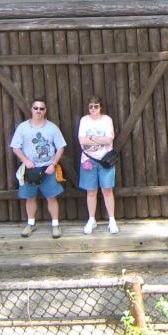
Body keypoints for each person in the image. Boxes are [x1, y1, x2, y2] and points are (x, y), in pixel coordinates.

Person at [10, 99, 66, 238]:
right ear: (31, 109)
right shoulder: (23, 127)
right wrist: (25, 161)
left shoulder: (52, 128)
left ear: (45, 110)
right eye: (36, 108)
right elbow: (15, 147)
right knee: (30, 197)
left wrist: (53, 164)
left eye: (41, 108)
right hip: (30, 170)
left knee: (51, 197)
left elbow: (61, 147)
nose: (38, 111)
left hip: (48, 169)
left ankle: (55, 225)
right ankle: (31, 224)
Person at [78, 95, 118, 235]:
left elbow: (109, 140)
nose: (93, 109)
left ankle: (112, 220)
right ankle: (91, 219)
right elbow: (82, 140)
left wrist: (91, 138)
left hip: (105, 160)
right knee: (91, 191)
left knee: (107, 190)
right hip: (88, 160)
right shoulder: (84, 120)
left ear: (101, 107)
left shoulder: (107, 120)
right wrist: (98, 139)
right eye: (91, 106)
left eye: (96, 106)